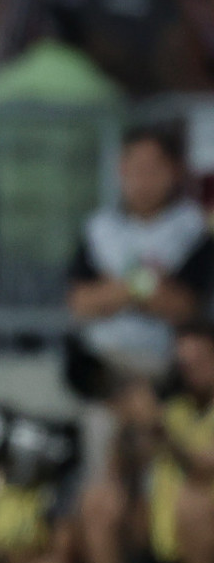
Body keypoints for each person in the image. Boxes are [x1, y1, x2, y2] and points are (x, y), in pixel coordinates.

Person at [73, 324, 214, 563]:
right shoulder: (175, 409)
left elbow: (204, 469)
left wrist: (158, 425)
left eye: (200, 362)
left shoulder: (167, 418)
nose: (190, 371)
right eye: (184, 364)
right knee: (99, 500)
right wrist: (127, 425)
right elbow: (119, 472)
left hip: (204, 526)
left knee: (194, 500)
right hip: (159, 529)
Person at [66, 125, 214, 399]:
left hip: (170, 370)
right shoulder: (99, 228)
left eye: (153, 169)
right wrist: (147, 285)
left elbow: (185, 306)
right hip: (104, 367)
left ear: (174, 170)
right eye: (134, 168)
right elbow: (80, 303)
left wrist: (114, 290)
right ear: (121, 169)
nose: (143, 179)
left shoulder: (193, 228)